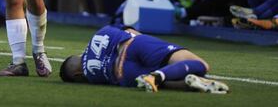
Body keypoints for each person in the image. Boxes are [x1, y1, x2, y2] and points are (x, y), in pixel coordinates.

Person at [60, 25, 229, 94]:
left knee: (162, 82)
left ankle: (163, 78)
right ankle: (160, 75)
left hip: (122, 73)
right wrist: (151, 44)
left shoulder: (92, 77)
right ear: (77, 56)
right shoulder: (98, 34)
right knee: (202, 65)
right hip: (134, 46)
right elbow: (130, 31)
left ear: (76, 74)